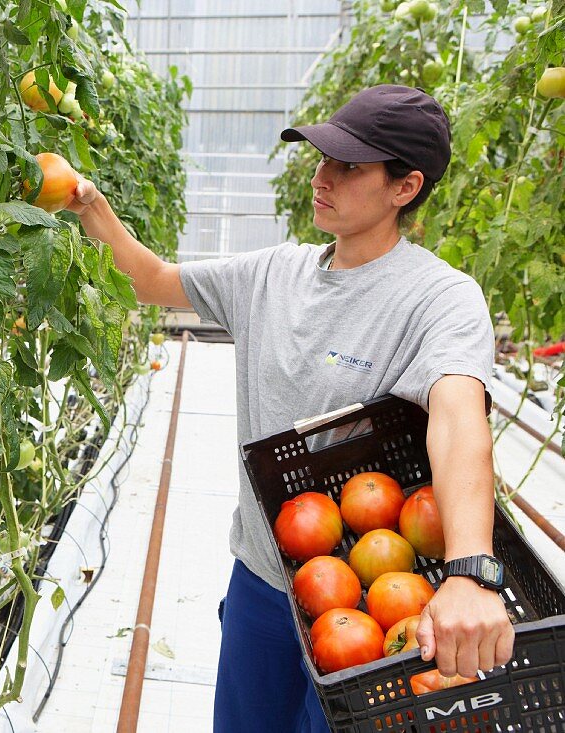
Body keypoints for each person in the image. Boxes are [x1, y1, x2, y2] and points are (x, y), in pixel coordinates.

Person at [65, 85, 515, 732]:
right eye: (323, 157)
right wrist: (91, 205)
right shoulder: (273, 273)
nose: (322, 176)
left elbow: (458, 418)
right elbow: (153, 281)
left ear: (405, 187)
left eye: (349, 166)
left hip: (376, 594)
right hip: (261, 578)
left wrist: (471, 568)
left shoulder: (440, 298)